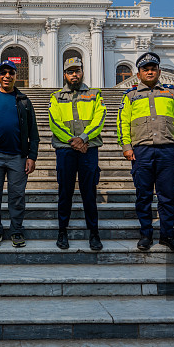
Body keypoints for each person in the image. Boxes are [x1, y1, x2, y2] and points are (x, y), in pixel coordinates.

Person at [116, 52, 174, 253]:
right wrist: (126, 146)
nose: (149, 72)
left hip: (167, 150)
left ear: (159, 71)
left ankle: (167, 236)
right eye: (145, 69)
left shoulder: (171, 94)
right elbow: (122, 122)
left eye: (153, 69)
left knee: (167, 197)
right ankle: (146, 234)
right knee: (143, 195)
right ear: (138, 74)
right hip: (142, 151)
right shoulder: (130, 96)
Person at [0, 59, 39, 248]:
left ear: (15, 76)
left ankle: (16, 231)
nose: (7, 76)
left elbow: (33, 131)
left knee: (17, 196)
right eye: (3, 73)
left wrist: (32, 156)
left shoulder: (24, 101)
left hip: (18, 157)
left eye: (11, 73)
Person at [48, 57, 106, 251]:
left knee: (89, 192)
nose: (74, 75)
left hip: (88, 149)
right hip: (66, 150)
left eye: (77, 71)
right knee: (65, 192)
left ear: (82, 72)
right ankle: (62, 231)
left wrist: (83, 138)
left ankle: (94, 233)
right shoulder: (56, 97)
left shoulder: (94, 95)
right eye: (70, 71)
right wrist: (73, 141)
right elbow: (54, 123)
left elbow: (99, 118)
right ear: (65, 74)